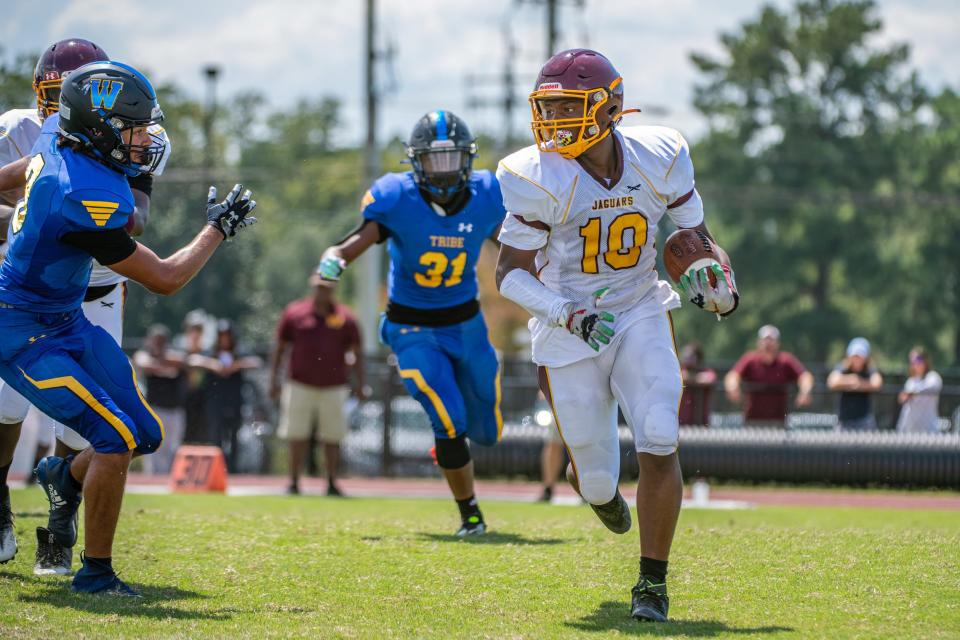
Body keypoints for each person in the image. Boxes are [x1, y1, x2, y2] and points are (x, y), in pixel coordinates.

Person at [494, 49, 739, 622]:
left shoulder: (659, 155)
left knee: (659, 431)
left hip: (637, 309)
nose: (553, 121)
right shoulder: (537, 174)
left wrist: (720, 278)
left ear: (609, 109)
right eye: (547, 107)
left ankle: (651, 584)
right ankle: (599, 492)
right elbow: (508, 273)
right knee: (598, 478)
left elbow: (696, 238)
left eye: (567, 107)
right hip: (568, 322)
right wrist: (564, 313)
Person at [0, 60, 257, 596]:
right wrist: (216, 229)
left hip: (64, 318)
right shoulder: (83, 195)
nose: (145, 140)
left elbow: (19, 176)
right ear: (98, 128)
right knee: (114, 438)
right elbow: (164, 279)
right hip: (20, 330)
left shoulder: (57, 133)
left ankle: (59, 477)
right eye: (134, 128)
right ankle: (95, 573)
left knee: (145, 434)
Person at [0, 38, 171, 575]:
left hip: (95, 294)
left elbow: (132, 221)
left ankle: (59, 517)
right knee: (6, 408)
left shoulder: (135, 128)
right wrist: (40, 209)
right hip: (29, 297)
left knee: (86, 429)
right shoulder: (22, 131)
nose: (58, 107)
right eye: (52, 94)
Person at [318, 110, 505, 536]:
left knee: (487, 432)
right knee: (448, 416)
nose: (443, 170)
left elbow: (516, 248)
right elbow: (352, 243)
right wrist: (333, 260)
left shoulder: (488, 195)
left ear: (467, 159)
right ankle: (470, 513)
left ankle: (450, 450)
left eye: (451, 159)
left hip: (467, 324)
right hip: (411, 328)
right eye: (433, 160)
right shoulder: (395, 198)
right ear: (415, 161)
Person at [271, 275, 364, 496]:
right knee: (296, 433)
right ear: (313, 287)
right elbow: (280, 347)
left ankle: (331, 481)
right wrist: (273, 380)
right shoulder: (295, 313)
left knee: (332, 435)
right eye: (320, 288)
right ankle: (293, 481)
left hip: (334, 386)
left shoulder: (345, 317)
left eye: (328, 288)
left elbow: (358, 353)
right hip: (299, 383)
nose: (324, 292)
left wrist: (360, 384)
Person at [191, 320, 262, 471]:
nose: (224, 339)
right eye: (221, 336)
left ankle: (232, 469)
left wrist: (236, 366)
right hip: (215, 402)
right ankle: (215, 469)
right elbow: (193, 360)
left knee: (234, 436)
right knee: (215, 435)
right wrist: (213, 365)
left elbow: (256, 361)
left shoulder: (239, 352)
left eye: (227, 336)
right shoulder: (211, 352)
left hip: (234, 402)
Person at [724, 325, 813, 427]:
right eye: (765, 340)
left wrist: (805, 392)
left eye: (771, 340)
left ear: (778, 343)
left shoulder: (786, 361)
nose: (768, 344)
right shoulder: (750, 359)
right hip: (752, 422)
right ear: (758, 342)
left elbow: (805, 376)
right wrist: (733, 388)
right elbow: (733, 375)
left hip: (779, 423)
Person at [133, 325, 187, 474]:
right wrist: (164, 369)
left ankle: (171, 477)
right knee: (154, 447)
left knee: (173, 447)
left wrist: (163, 360)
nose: (158, 344)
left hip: (175, 409)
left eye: (161, 341)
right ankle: (153, 478)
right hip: (155, 409)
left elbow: (183, 361)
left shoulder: (173, 354)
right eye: (156, 341)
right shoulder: (146, 354)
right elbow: (143, 362)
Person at [826, 337, 883, 431]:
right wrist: (852, 380)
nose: (857, 359)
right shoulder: (843, 368)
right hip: (844, 421)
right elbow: (831, 382)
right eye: (854, 355)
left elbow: (877, 383)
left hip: (864, 420)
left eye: (860, 356)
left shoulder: (869, 370)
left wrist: (860, 383)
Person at [896, 347, 943, 433]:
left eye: (918, 359)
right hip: (911, 430)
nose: (916, 364)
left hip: (929, 430)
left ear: (925, 360)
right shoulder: (910, 381)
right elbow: (903, 401)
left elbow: (933, 386)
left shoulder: (933, 377)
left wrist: (913, 393)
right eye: (912, 361)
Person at [678, 342, 716, 426]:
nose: (686, 359)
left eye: (690, 357)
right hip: (680, 424)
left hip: (701, 424)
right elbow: (679, 377)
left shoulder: (706, 372)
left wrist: (692, 379)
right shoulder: (679, 371)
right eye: (685, 356)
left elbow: (710, 379)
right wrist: (694, 380)